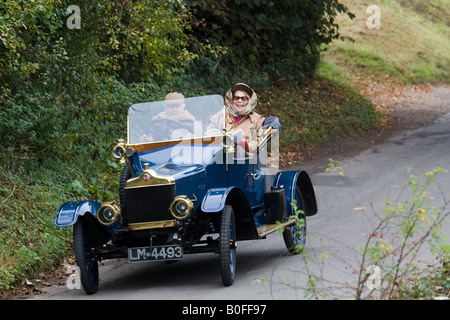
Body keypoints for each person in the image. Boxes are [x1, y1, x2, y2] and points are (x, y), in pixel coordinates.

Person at [205, 83, 265, 155]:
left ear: (249, 101)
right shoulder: (222, 113)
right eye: (236, 98)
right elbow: (209, 131)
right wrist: (221, 139)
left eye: (243, 98)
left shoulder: (257, 119)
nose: (239, 101)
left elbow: (260, 143)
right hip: (219, 155)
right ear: (231, 100)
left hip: (243, 160)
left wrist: (246, 145)